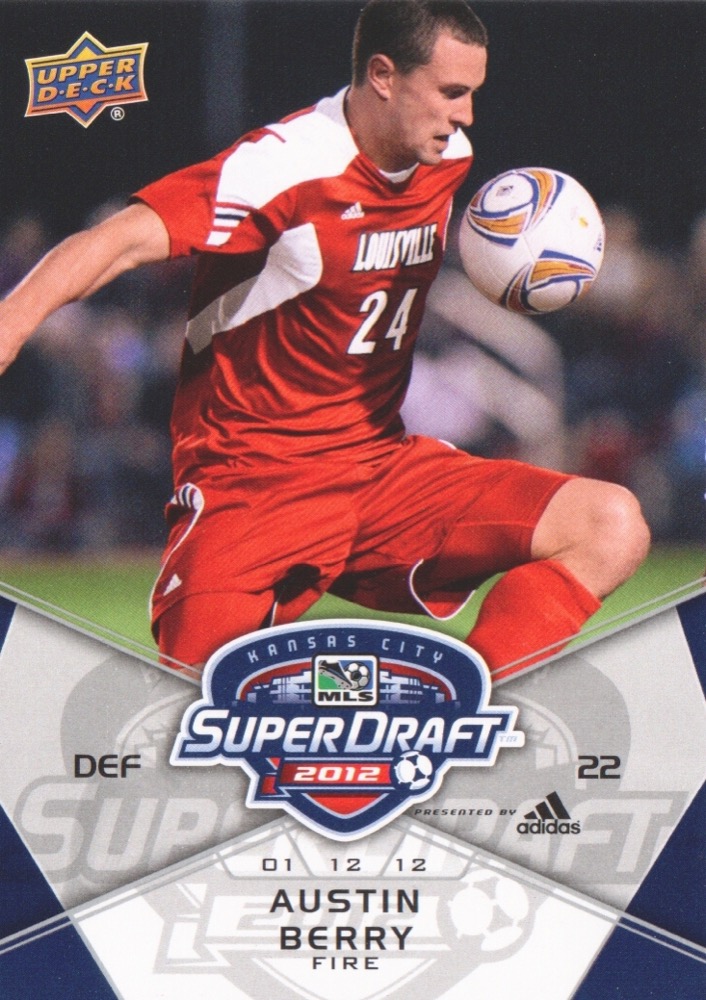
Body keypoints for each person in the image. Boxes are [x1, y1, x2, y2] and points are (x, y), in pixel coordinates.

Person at [0, 0, 650, 680]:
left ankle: (462, 712)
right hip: (252, 487)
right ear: (383, 76)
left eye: (472, 94)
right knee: (196, 707)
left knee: (610, 525)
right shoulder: (283, 168)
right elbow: (119, 240)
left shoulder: (447, 158)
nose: (466, 116)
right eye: (452, 92)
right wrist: (12, 325)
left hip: (379, 473)